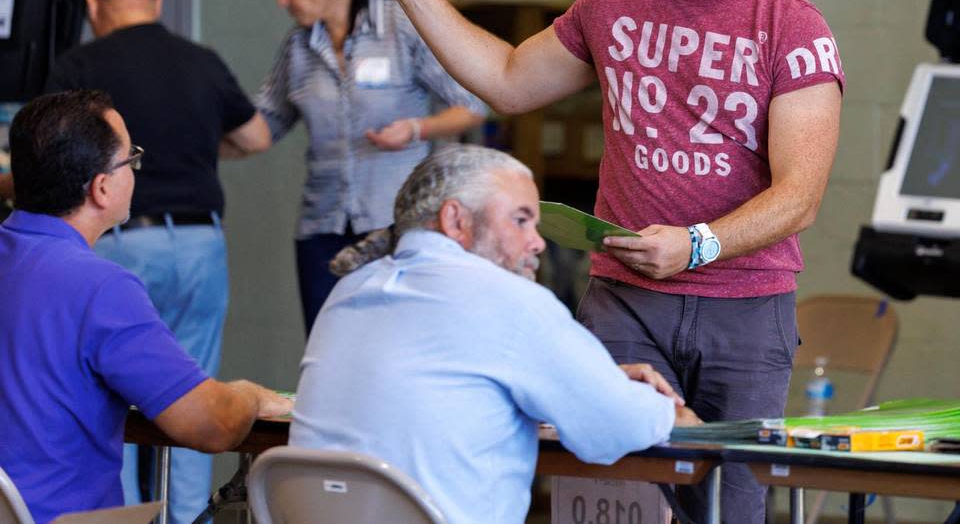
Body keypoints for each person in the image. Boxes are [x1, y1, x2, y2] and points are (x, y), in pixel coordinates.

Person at [365, 0, 844, 522]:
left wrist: (698, 242)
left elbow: (800, 195)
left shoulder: (790, 26)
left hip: (744, 308)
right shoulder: (614, 2)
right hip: (624, 300)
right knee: (610, 503)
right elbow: (505, 80)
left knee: (729, 509)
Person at [289, 145, 699, 524]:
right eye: (520, 220)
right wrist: (671, 412)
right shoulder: (510, 299)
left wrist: (593, 380)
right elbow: (615, 427)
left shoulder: (349, 289)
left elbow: (444, 389)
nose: (538, 242)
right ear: (456, 220)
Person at [31, 0, 272, 523]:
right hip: (197, 244)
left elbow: (46, 156)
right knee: (192, 395)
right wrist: (191, 149)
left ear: (92, 4)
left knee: (103, 404)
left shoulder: (78, 69)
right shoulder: (201, 59)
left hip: (116, 248)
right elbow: (257, 136)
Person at [0, 90, 292, 524]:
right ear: (101, 187)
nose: (136, 169)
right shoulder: (100, 288)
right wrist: (249, 395)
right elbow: (210, 425)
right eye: (129, 159)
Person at [255, 0, 486, 333]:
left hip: (395, 224)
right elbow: (264, 123)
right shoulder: (298, 47)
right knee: (328, 349)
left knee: (394, 346)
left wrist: (415, 129)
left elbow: (473, 104)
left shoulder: (400, 26)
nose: (281, 1)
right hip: (322, 228)